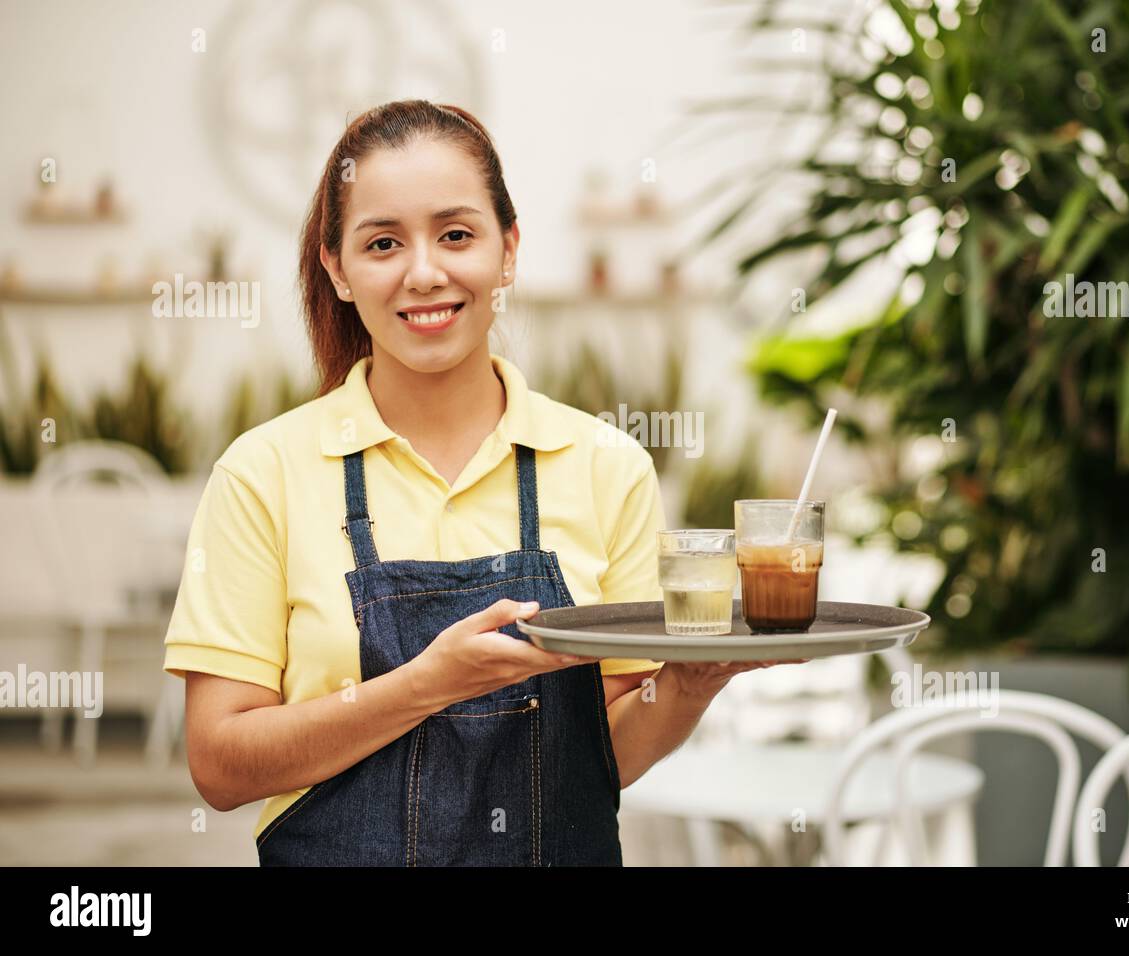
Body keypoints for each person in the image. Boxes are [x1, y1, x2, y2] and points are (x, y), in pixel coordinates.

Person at [163, 100, 799, 867]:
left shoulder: (607, 467)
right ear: (336, 269)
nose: (424, 272)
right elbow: (221, 765)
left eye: (456, 234)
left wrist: (689, 686)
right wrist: (422, 685)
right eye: (383, 242)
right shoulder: (262, 475)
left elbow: (609, 756)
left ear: (508, 251)